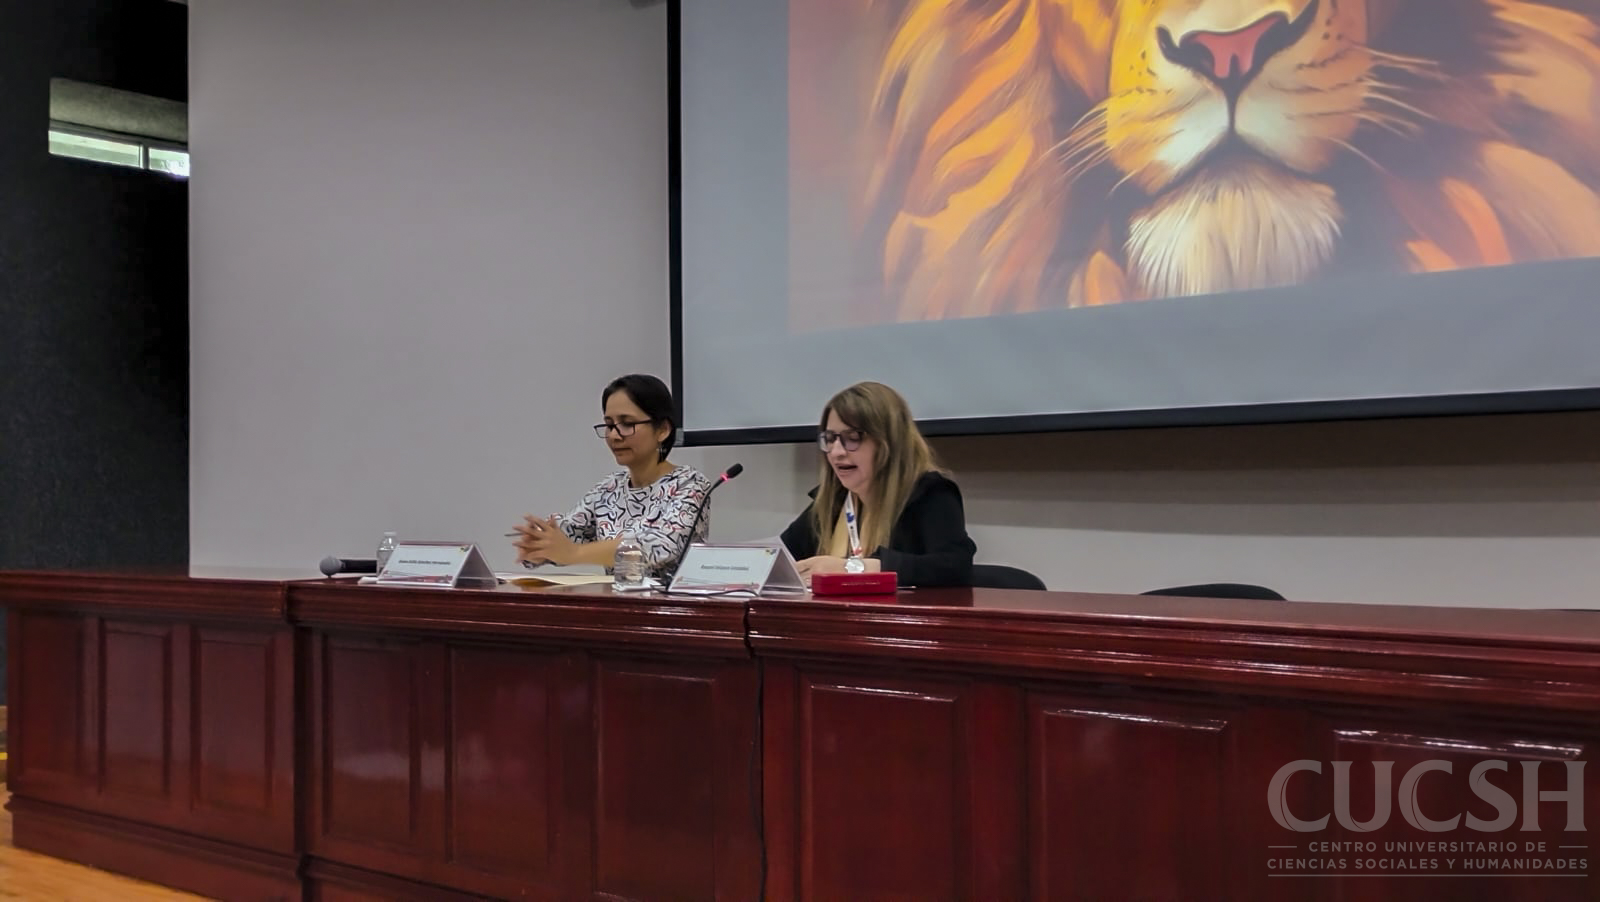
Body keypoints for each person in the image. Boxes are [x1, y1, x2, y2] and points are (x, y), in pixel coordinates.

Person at [511, 374, 712, 579]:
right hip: (618, 598)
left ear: (662, 430)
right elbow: (571, 532)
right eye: (609, 425)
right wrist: (540, 544)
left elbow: (657, 546)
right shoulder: (609, 488)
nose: (614, 436)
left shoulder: (690, 484)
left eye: (627, 424)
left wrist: (574, 553)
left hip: (675, 599)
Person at [781, 381, 976, 587]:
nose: (836, 452)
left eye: (852, 437)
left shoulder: (929, 493)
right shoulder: (833, 499)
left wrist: (853, 568)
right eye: (830, 439)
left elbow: (955, 568)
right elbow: (780, 557)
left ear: (888, 443)